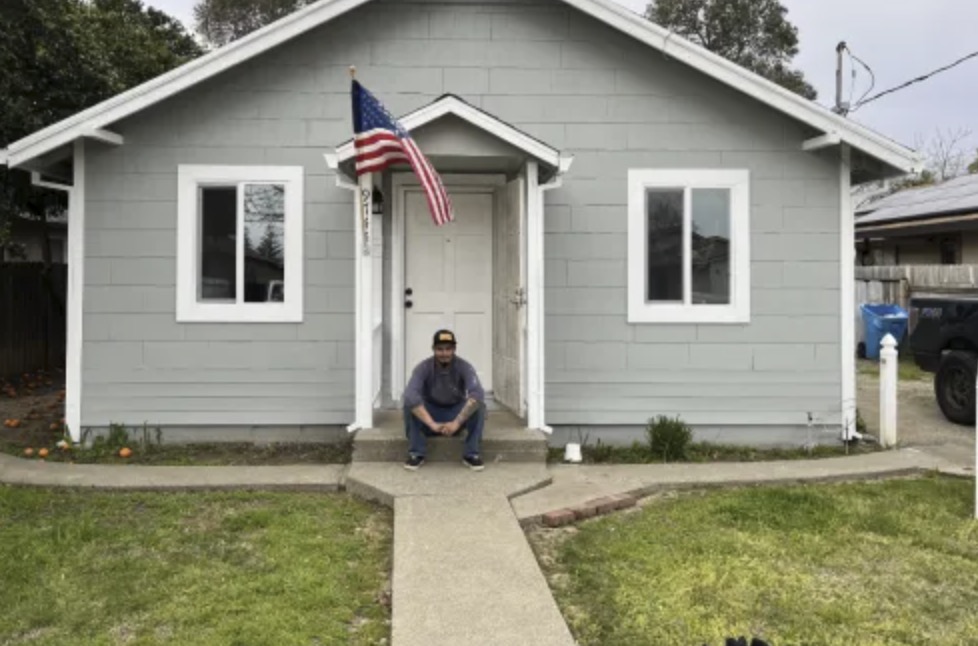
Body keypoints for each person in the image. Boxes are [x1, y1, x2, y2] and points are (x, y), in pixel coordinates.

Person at [401, 329, 486, 471]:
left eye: (448, 349)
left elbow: (476, 393)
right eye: (440, 349)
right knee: (409, 404)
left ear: (454, 349)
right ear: (433, 349)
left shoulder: (465, 367)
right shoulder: (423, 367)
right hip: (431, 413)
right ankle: (416, 453)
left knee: (479, 405)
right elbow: (411, 394)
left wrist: (456, 423)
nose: (444, 353)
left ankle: (471, 454)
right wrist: (432, 424)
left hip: (455, 412)